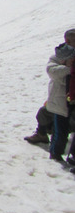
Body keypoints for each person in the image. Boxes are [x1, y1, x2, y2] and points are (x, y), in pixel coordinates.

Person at [44, 29, 75, 163]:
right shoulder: (60, 54)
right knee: (60, 130)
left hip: (70, 97)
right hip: (61, 98)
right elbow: (51, 71)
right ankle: (55, 154)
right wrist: (69, 69)